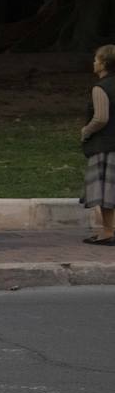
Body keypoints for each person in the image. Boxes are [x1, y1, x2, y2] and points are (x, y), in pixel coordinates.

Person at [80, 44, 115, 244]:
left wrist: (86, 131)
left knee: (106, 191)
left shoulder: (101, 87)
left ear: (103, 64)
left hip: (106, 145)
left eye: (96, 60)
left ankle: (108, 232)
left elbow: (101, 118)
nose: (94, 63)